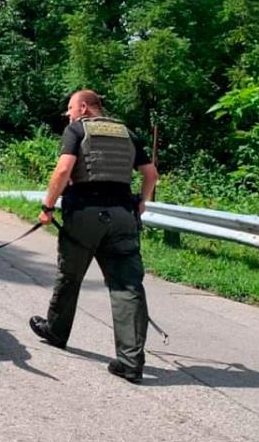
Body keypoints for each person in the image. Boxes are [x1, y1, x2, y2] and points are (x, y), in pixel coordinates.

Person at [29, 89, 159, 383]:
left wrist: (47, 207)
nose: (68, 113)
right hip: (123, 216)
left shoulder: (77, 130)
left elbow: (63, 170)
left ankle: (57, 330)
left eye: (70, 108)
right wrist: (142, 202)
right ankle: (130, 361)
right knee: (127, 286)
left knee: (70, 275)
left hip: (85, 214)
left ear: (84, 107)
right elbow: (150, 174)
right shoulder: (127, 132)